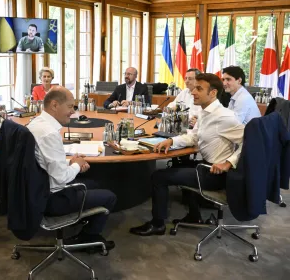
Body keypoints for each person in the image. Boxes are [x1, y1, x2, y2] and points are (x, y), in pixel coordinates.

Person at [129, 73, 245, 236]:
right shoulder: (206, 111)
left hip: (216, 174)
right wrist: (172, 142)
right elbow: (194, 136)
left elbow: (250, 142)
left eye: (199, 88)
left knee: (158, 177)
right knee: (181, 165)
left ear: (212, 93)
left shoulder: (225, 117)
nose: (193, 92)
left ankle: (157, 224)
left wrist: (228, 163)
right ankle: (194, 216)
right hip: (206, 165)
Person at [27, 86, 116, 249]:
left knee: (96, 184)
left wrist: (70, 164)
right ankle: (87, 239)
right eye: (70, 107)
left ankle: (83, 223)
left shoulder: (37, 123)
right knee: (110, 196)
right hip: (51, 198)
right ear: (54, 105)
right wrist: (76, 164)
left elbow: (47, 164)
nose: (73, 112)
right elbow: (61, 178)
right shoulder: (49, 133)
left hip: (37, 189)